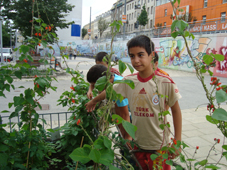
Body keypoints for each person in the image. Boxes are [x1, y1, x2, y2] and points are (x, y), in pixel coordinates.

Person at [113, 35, 182, 170]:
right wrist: (94, 100)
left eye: (140, 55)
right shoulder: (129, 81)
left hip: (158, 147)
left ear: (152, 55)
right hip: (138, 145)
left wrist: (177, 142)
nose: (136, 60)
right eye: (132, 56)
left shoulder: (165, 82)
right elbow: (111, 91)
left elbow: (176, 111)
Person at [85, 64, 131, 140]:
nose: (96, 89)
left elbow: (125, 114)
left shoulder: (119, 86)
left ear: (103, 81)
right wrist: (122, 133)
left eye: (96, 85)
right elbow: (118, 112)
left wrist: (128, 137)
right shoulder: (114, 81)